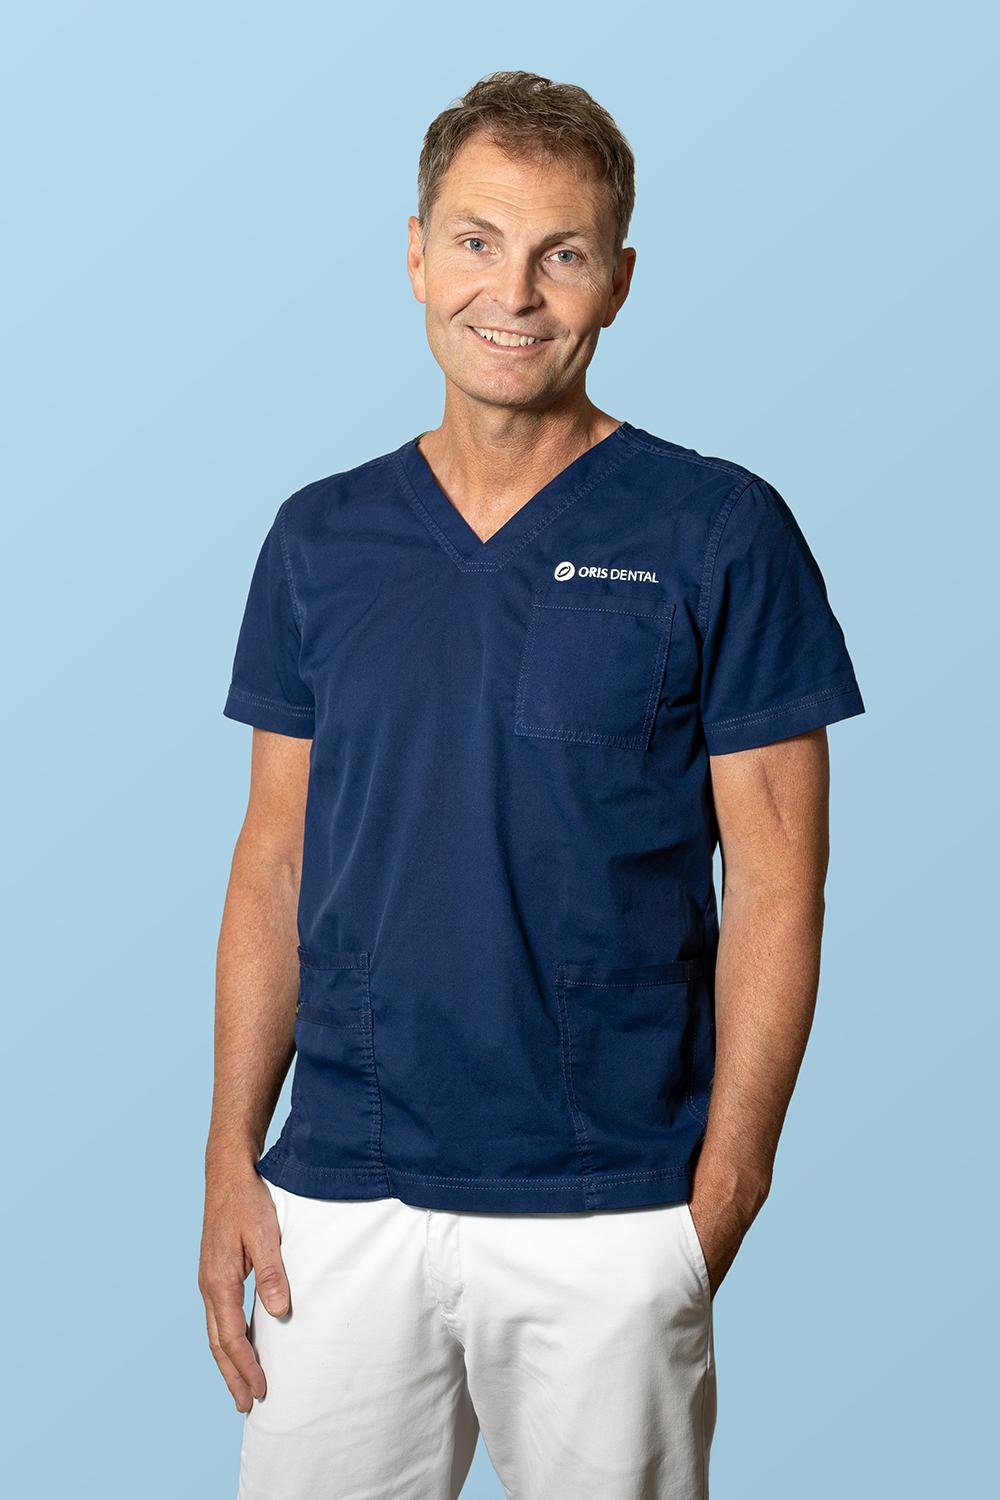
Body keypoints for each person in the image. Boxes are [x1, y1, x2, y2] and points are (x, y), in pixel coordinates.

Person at [199, 69, 866, 1500]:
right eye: (478, 241)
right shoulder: (320, 538)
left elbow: (778, 879)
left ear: (618, 280)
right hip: (341, 1193)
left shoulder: (718, 529)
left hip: (609, 1201)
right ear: (417, 257)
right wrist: (229, 1162)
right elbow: (273, 857)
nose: (513, 292)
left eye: (562, 253)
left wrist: (723, 1192)